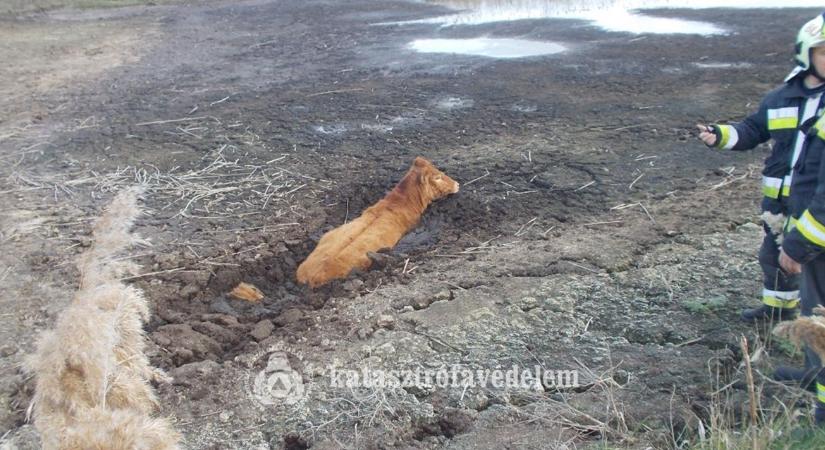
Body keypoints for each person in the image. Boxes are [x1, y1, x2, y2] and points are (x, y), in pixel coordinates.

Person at [695, 15, 825, 324]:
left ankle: (813, 328)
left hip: (813, 205)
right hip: (779, 203)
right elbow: (753, 129)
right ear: (806, 53)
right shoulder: (780, 98)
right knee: (772, 257)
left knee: (813, 265)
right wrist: (721, 135)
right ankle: (778, 310)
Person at [778, 14, 825, 422]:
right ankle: (816, 374)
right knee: (815, 311)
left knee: (820, 315)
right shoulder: (795, 98)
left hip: (817, 239)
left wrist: (798, 244)